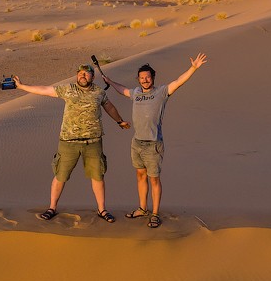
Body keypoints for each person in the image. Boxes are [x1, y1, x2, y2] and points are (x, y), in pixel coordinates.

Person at [12, 64, 130, 223]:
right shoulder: (68, 89)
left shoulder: (99, 92)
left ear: (92, 77)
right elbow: (45, 90)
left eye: (87, 74)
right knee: (60, 175)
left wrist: (120, 121)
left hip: (93, 142)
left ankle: (102, 209)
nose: (83, 76)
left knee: (98, 176)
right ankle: (52, 207)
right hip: (68, 142)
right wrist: (22, 86)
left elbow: (109, 107)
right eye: (81, 73)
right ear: (77, 76)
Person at [101, 52, 207, 228]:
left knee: (154, 179)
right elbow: (123, 90)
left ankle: (155, 213)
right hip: (137, 143)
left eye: (147, 77)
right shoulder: (135, 93)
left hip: (153, 144)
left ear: (152, 78)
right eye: (142, 78)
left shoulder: (162, 92)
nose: (145, 80)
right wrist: (110, 82)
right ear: (138, 79)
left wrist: (193, 68)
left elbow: (179, 81)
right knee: (140, 175)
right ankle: (142, 208)